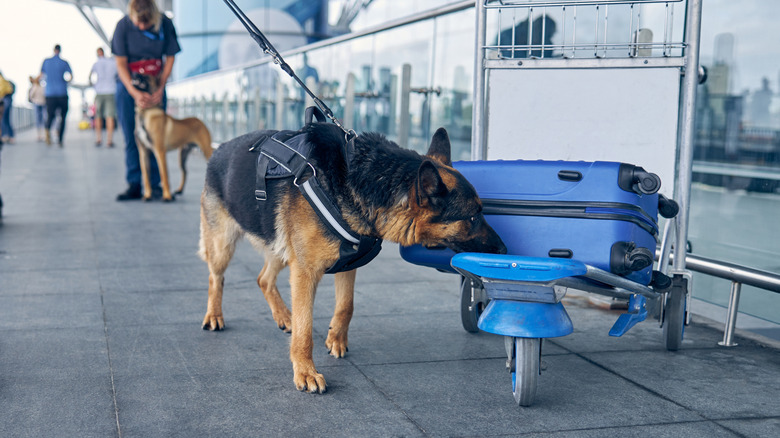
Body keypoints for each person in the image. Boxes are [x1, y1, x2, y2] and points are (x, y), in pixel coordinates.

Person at [111, 0, 180, 201]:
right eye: (138, 24)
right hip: (128, 87)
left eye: (146, 24)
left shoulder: (165, 23)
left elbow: (170, 57)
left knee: (156, 138)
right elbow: (120, 63)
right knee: (132, 135)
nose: (142, 27)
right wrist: (134, 93)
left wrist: (161, 86)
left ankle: (156, 184)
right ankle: (134, 183)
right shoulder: (123, 26)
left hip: (154, 85)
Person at [40, 44, 73, 147]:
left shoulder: (46, 61)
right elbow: (71, 76)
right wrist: (64, 81)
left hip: (50, 93)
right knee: (63, 117)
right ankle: (60, 140)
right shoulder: (64, 62)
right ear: (60, 51)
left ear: (53, 50)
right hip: (62, 93)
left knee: (50, 115)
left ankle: (47, 132)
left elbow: (41, 75)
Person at [89, 47, 118, 147]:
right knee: (110, 116)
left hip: (100, 91)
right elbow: (118, 76)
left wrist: (94, 85)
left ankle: (98, 139)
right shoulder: (112, 63)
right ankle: (109, 140)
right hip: (111, 91)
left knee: (98, 116)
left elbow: (90, 78)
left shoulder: (96, 64)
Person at [28, 76, 47, 141]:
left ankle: (42, 135)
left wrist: (34, 100)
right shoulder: (41, 87)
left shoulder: (36, 87)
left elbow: (31, 96)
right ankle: (40, 135)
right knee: (41, 119)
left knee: (41, 119)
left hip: (39, 104)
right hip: (41, 103)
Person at [1, 78, 14, 144]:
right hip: (8, 100)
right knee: (7, 119)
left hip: (4, 100)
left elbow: (2, 91)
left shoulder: (1, 80)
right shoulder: (5, 80)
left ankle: (5, 136)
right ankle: (11, 137)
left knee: (3, 119)